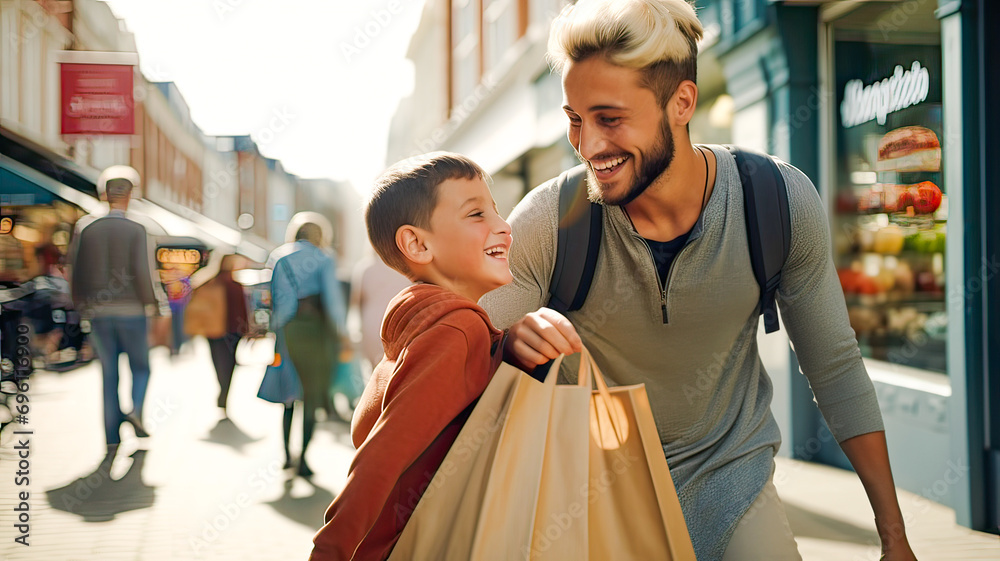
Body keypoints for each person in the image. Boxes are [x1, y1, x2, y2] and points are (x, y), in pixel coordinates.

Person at [480, 2, 918, 560]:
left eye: (609, 118)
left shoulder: (776, 202)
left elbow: (834, 365)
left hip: (731, 480)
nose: (587, 144)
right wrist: (506, 342)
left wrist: (895, 539)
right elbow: (455, 337)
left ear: (682, 102)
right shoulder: (552, 220)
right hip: (590, 495)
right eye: (574, 119)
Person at [309, 152, 512, 560]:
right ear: (417, 244)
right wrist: (328, 552)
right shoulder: (456, 330)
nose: (503, 226)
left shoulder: (424, 325)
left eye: (497, 211)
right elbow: (382, 458)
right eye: (476, 215)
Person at [68, 165, 169, 451]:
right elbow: (142, 271)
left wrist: (81, 305)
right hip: (133, 312)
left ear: (103, 193)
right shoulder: (137, 228)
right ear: (131, 194)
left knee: (108, 374)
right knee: (140, 367)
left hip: (99, 314)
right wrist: (157, 304)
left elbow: (75, 272)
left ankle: (111, 437)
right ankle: (136, 409)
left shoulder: (86, 228)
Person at [267, 212, 348, 477]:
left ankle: (285, 456)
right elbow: (334, 302)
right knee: (311, 394)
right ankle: (303, 458)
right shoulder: (324, 258)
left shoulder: (279, 256)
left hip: (286, 330)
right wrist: (343, 333)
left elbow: (273, 298)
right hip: (315, 332)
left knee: (288, 395)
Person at [185, 254, 250, 415]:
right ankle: (224, 391)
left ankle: (223, 390)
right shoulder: (234, 285)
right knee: (229, 363)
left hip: (213, 330)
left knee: (218, 362)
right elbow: (243, 310)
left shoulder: (209, 283)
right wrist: (247, 329)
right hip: (232, 331)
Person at [350, 253, 411, 369]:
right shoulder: (404, 267)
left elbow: (356, 302)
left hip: (371, 327)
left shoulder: (364, 268)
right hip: (397, 325)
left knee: (375, 372)